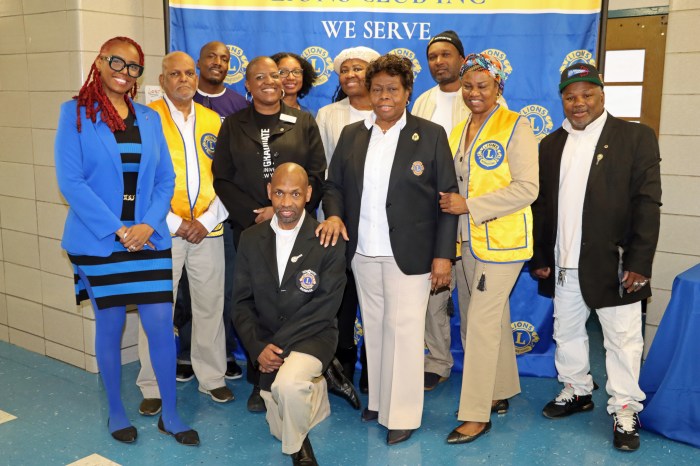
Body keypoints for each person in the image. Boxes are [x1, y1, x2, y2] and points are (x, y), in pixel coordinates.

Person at [54, 36, 198, 445]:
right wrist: (119, 228)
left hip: (148, 240)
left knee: (159, 324)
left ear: (139, 73)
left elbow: (165, 179)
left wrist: (148, 225)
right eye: (117, 62)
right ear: (100, 62)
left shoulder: (149, 118)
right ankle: (117, 412)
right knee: (111, 324)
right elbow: (71, 182)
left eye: (133, 66)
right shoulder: (75, 114)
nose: (124, 71)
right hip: (100, 241)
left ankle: (170, 414)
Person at [318, 53, 459, 445]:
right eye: (377, 88)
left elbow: (448, 198)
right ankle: (380, 400)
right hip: (363, 252)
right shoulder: (352, 135)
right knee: (377, 330)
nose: (383, 96)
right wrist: (333, 215)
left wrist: (443, 255)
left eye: (392, 89)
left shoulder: (430, 135)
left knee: (405, 333)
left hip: (411, 255)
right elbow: (334, 187)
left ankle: (403, 413)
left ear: (407, 92)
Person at [531, 63, 662, 452]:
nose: (579, 103)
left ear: (602, 96)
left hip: (617, 263)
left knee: (622, 341)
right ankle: (577, 389)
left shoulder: (635, 137)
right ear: (562, 101)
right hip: (563, 263)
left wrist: (639, 262)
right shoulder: (550, 144)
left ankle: (624, 408)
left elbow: (647, 203)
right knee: (566, 332)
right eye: (571, 97)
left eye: (587, 94)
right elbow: (541, 207)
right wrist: (541, 255)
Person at [212, 56, 330, 413]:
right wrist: (257, 215)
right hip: (250, 231)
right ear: (246, 85)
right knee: (255, 301)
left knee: (294, 301)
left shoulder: (303, 121)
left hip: (296, 228)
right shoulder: (233, 125)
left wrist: (280, 210)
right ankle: (259, 378)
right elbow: (223, 177)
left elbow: (316, 174)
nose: (268, 81)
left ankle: (293, 371)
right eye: (258, 76)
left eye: (275, 75)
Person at [441, 53, 539, 444]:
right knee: (486, 319)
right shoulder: (457, 131)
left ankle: (476, 414)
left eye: (483, 85)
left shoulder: (517, 126)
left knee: (480, 325)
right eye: (468, 86)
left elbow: (527, 188)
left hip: (503, 243)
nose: (474, 93)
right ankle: (499, 390)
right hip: (466, 242)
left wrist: (472, 206)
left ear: (499, 87)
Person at [136, 51, 233, 412]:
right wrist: (176, 223)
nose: (184, 79)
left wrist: (207, 221)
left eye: (189, 73)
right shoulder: (146, 119)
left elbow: (226, 178)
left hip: (209, 228)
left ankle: (212, 377)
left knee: (210, 306)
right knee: (158, 309)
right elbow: (142, 182)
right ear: (162, 81)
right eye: (174, 74)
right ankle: (152, 384)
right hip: (161, 230)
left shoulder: (214, 120)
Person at [233, 163, 346, 466]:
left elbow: (326, 306)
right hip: (267, 339)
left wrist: (275, 348)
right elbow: (241, 303)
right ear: (269, 192)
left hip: (313, 335)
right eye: (279, 193)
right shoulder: (250, 238)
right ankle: (318, 391)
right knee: (276, 427)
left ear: (308, 194)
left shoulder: (328, 238)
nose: (286, 203)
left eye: (295, 194)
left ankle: (300, 450)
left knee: (287, 387)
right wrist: (258, 348)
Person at [170, 40, 249, 384]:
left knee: (219, 292)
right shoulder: (160, 111)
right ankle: (184, 354)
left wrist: (207, 218)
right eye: (211, 57)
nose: (218, 62)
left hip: (216, 220)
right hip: (171, 225)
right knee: (181, 297)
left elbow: (231, 170)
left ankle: (220, 358)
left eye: (225, 58)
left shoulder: (232, 108)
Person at [315, 45, 380, 395]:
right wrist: (332, 214)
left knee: (376, 303)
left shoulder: (391, 111)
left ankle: (375, 369)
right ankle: (340, 370)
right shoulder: (328, 114)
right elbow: (325, 172)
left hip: (379, 224)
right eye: (345, 69)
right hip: (337, 223)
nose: (352, 75)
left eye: (359, 68)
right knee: (341, 302)